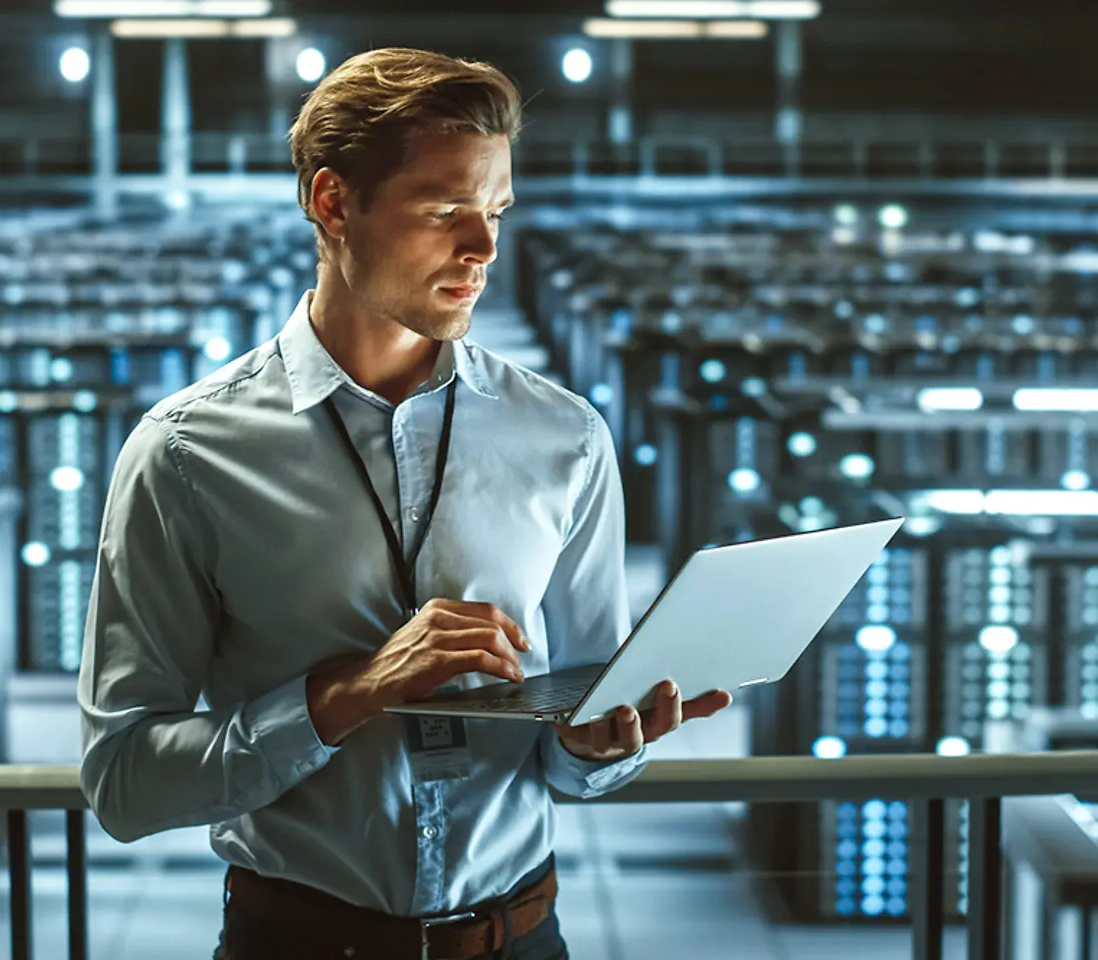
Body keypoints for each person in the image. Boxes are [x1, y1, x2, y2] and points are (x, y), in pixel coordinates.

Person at [78, 46, 733, 960]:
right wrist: (350, 695)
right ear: (332, 202)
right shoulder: (189, 454)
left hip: (523, 940)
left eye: (496, 211)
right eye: (446, 211)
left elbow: (575, 752)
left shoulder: (566, 437)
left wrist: (600, 744)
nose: (485, 249)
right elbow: (123, 783)